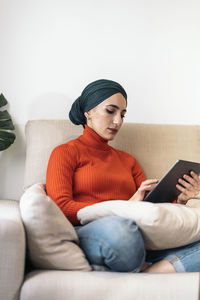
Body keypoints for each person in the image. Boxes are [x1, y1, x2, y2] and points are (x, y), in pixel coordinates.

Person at [46, 79, 200, 273]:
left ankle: (153, 272)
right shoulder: (65, 153)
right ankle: (159, 266)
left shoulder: (128, 161)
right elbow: (61, 208)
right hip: (99, 232)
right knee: (121, 229)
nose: (118, 121)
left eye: (123, 114)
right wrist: (125, 207)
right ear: (88, 112)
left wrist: (181, 200)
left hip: (140, 234)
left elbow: (150, 213)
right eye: (110, 111)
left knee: (131, 229)